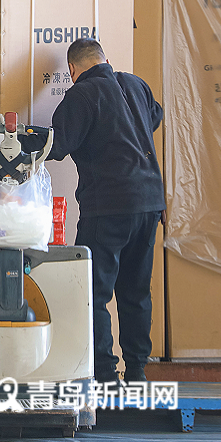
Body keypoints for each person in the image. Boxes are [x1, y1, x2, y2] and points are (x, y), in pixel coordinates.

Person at [22, 38, 165, 385]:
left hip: (108, 206)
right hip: (149, 203)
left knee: (93, 292)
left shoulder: (81, 95)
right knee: (135, 292)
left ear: (72, 70)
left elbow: (58, 145)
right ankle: (137, 371)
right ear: (105, 60)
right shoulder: (136, 84)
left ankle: (105, 375)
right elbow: (155, 116)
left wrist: (17, 140)